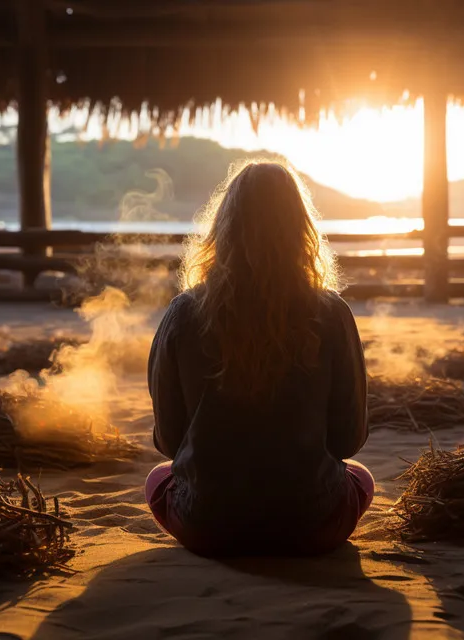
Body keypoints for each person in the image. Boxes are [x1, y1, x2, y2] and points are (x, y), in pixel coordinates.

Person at [145, 160, 373, 557]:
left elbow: (168, 442)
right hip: (311, 525)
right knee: (363, 478)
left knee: (156, 479)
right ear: (301, 231)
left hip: (209, 527)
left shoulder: (184, 312)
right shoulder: (331, 313)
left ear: (223, 230)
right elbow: (348, 441)